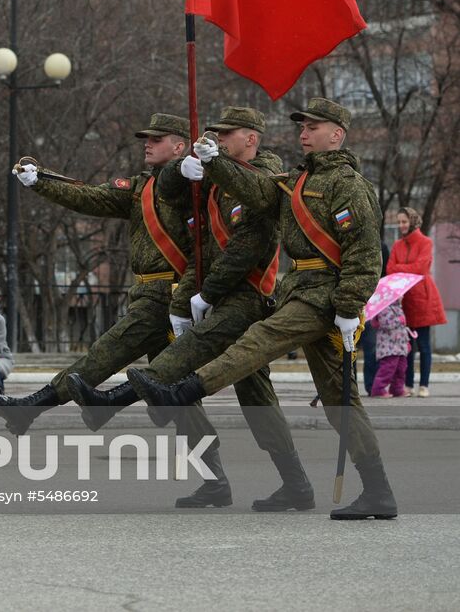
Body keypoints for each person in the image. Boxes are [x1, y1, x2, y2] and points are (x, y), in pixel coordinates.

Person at [130, 97, 396, 520]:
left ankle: (185, 390)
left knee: (259, 339)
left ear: (336, 135)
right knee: (339, 400)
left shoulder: (348, 184)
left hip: (323, 295)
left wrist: (349, 305)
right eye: (302, 127)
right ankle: (378, 492)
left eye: (312, 127)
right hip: (302, 291)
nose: (303, 133)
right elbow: (256, 191)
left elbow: (364, 252)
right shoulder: (296, 180)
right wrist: (216, 162)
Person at [101, 106, 310, 512]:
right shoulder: (216, 180)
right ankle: (278, 484)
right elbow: (180, 210)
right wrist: (183, 170)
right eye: (217, 133)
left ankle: (117, 397)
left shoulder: (267, 175)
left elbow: (246, 243)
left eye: (227, 133)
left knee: (188, 363)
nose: (219, 139)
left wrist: (207, 294)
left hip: (248, 297)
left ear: (251, 138)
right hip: (217, 294)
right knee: (253, 397)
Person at [0, 113, 191, 435]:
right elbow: (91, 196)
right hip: (147, 292)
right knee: (172, 390)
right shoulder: (142, 187)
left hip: (169, 295)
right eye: (146, 139)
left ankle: (31, 408)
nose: (147, 144)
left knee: (103, 356)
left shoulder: (190, 184)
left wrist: (190, 168)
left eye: (157, 139)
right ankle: (210, 462)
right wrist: (41, 181)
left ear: (179, 147)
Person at [390, 206, 445, 397]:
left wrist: (401, 267)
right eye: (399, 222)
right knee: (407, 347)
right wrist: (407, 268)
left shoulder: (425, 242)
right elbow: (390, 268)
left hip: (422, 298)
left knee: (423, 345)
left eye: (404, 221)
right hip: (403, 300)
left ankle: (424, 385)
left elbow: (421, 268)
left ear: (412, 222)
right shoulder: (397, 245)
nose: (401, 225)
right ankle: (408, 385)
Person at [369, 301, 409, 399]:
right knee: (387, 368)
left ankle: (397, 388)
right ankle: (378, 389)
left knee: (401, 368)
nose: (402, 297)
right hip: (388, 346)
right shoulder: (384, 307)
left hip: (400, 344)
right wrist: (399, 320)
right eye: (401, 296)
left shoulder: (398, 307)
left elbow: (402, 328)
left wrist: (406, 341)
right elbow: (386, 323)